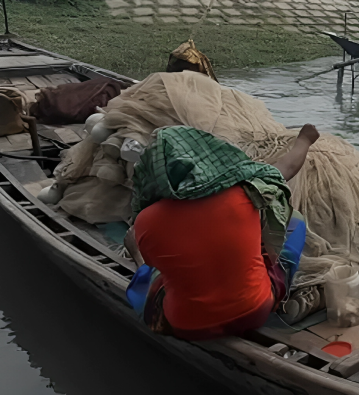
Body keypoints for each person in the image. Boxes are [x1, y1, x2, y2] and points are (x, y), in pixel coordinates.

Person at [124, 124, 319, 340]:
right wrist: (305, 139)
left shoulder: (146, 221)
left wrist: (135, 250)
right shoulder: (246, 192)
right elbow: (286, 168)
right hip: (255, 312)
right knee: (295, 221)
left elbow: (155, 266)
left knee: (151, 276)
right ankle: (279, 291)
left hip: (186, 326)